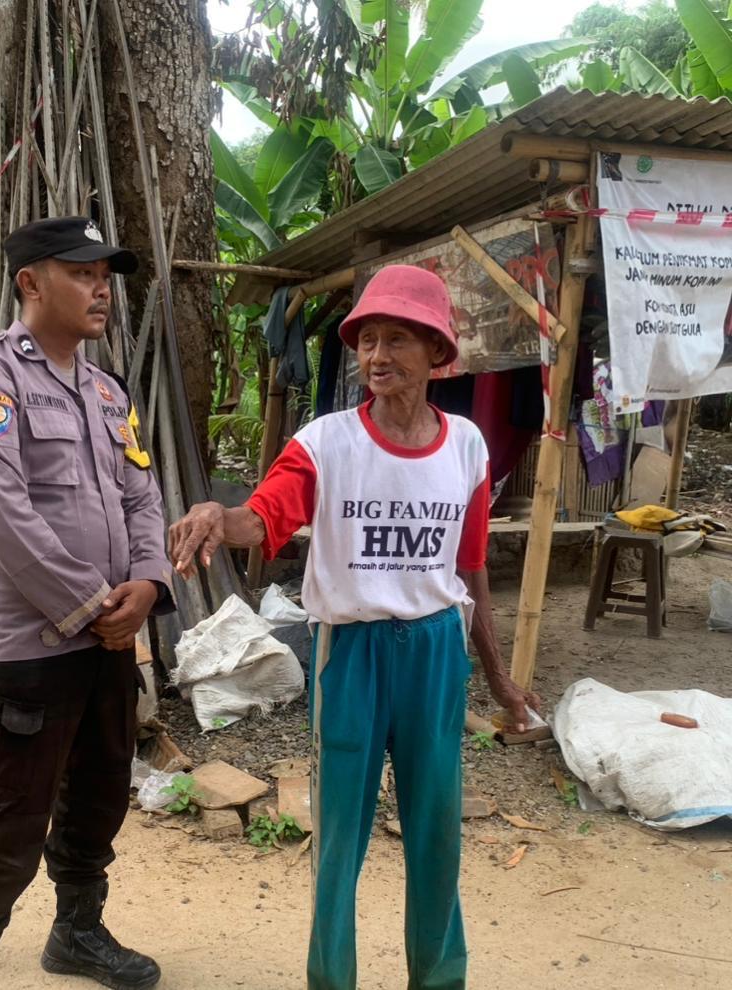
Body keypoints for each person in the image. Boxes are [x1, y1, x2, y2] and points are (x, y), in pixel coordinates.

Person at [168, 265, 541, 990]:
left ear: (437, 353)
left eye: (397, 339)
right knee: (339, 837)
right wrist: (219, 515)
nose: (376, 355)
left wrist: (497, 675)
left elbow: (469, 568)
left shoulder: (466, 446)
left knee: (436, 833)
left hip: (435, 650)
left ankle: (440, 978)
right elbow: (264, 515)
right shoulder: (325, 443)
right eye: (367, 339)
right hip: (351, 654)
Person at [0, 216, 174, 990]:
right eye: (82, 274)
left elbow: (142, 496)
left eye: (105, 277)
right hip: (31, 653)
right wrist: (96, 605)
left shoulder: (106, 391)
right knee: (10, 823)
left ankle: (77, 934)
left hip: (106, 647)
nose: (101, 290)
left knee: (98, 800)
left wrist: (149, 584)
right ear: (30, 282)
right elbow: (2, 513)